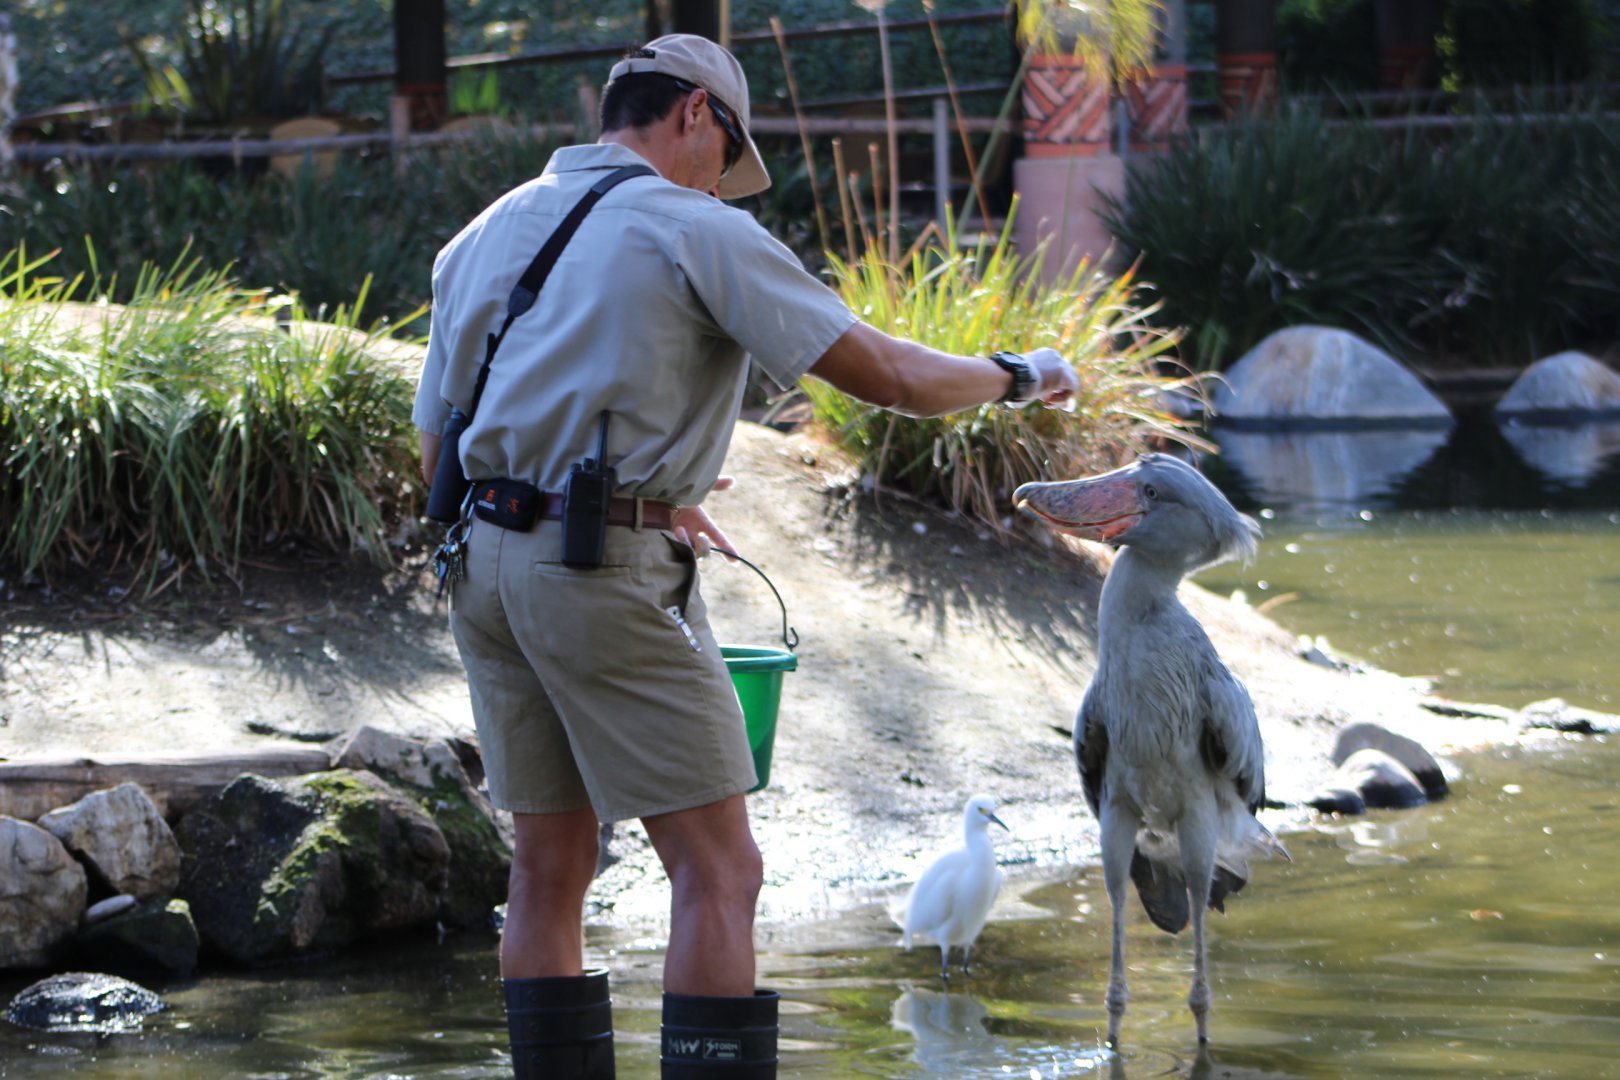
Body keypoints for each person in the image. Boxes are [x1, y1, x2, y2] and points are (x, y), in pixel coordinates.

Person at [414, 34, 1078, 1080]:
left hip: (483, 567)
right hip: (599, 578)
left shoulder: (484, 232)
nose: (723, 183)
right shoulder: (693, 228)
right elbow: (894, 377)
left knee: (549, 865)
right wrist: (1018, 375)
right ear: (692, 114)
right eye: (727, 156)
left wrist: (646, 498)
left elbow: (443, 438)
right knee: (721, 871)